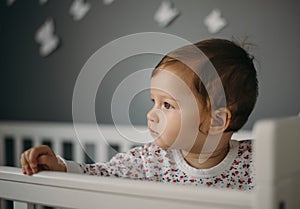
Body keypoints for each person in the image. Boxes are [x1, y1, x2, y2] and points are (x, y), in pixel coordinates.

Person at [20, 38, 258, 190]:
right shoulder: (150, 160)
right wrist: (60, 168)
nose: (151, 115)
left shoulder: (257, 162)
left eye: (167, 105)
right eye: (154, 101)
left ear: (217, 121)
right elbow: (102, 175)